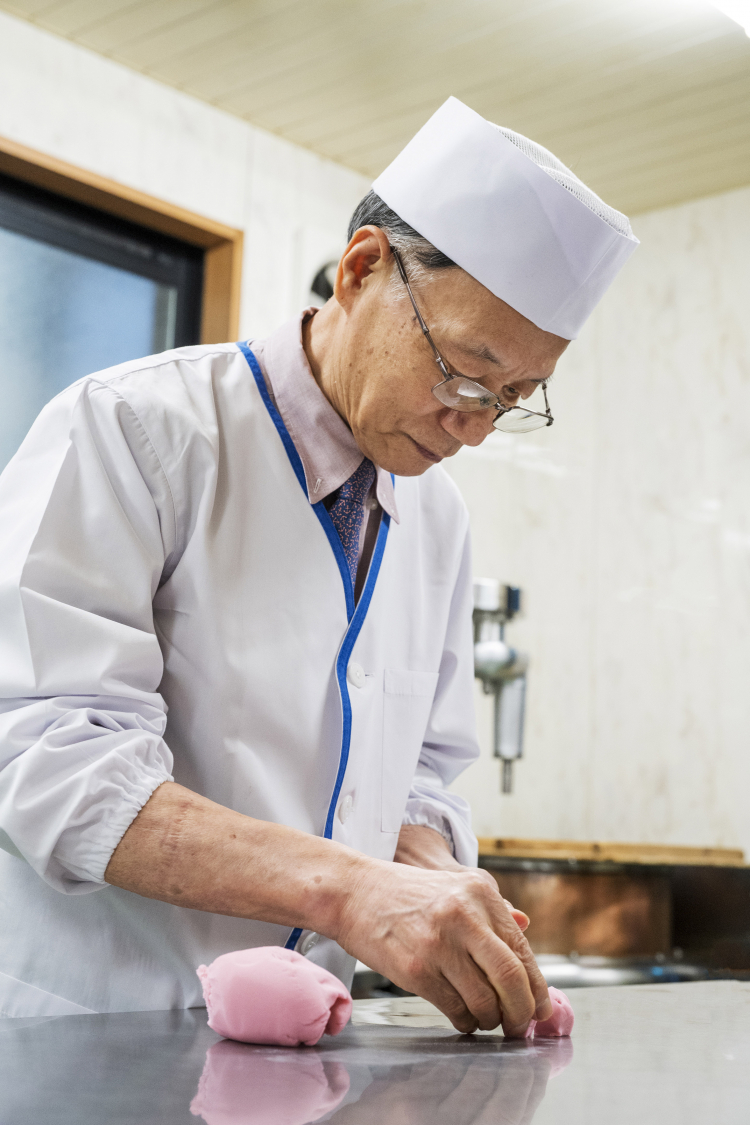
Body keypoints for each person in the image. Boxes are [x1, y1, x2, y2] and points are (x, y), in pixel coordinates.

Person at [0, 97, 637, 1032]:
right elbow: (47, 754)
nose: (473, 426)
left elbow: (420, 771)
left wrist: (427, 875)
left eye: (512, 398)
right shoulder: (135, 429)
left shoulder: (438, 513)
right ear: (362, 269)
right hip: (89, 1027)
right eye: (463, 371)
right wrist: (348, 892)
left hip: (297, 1048)